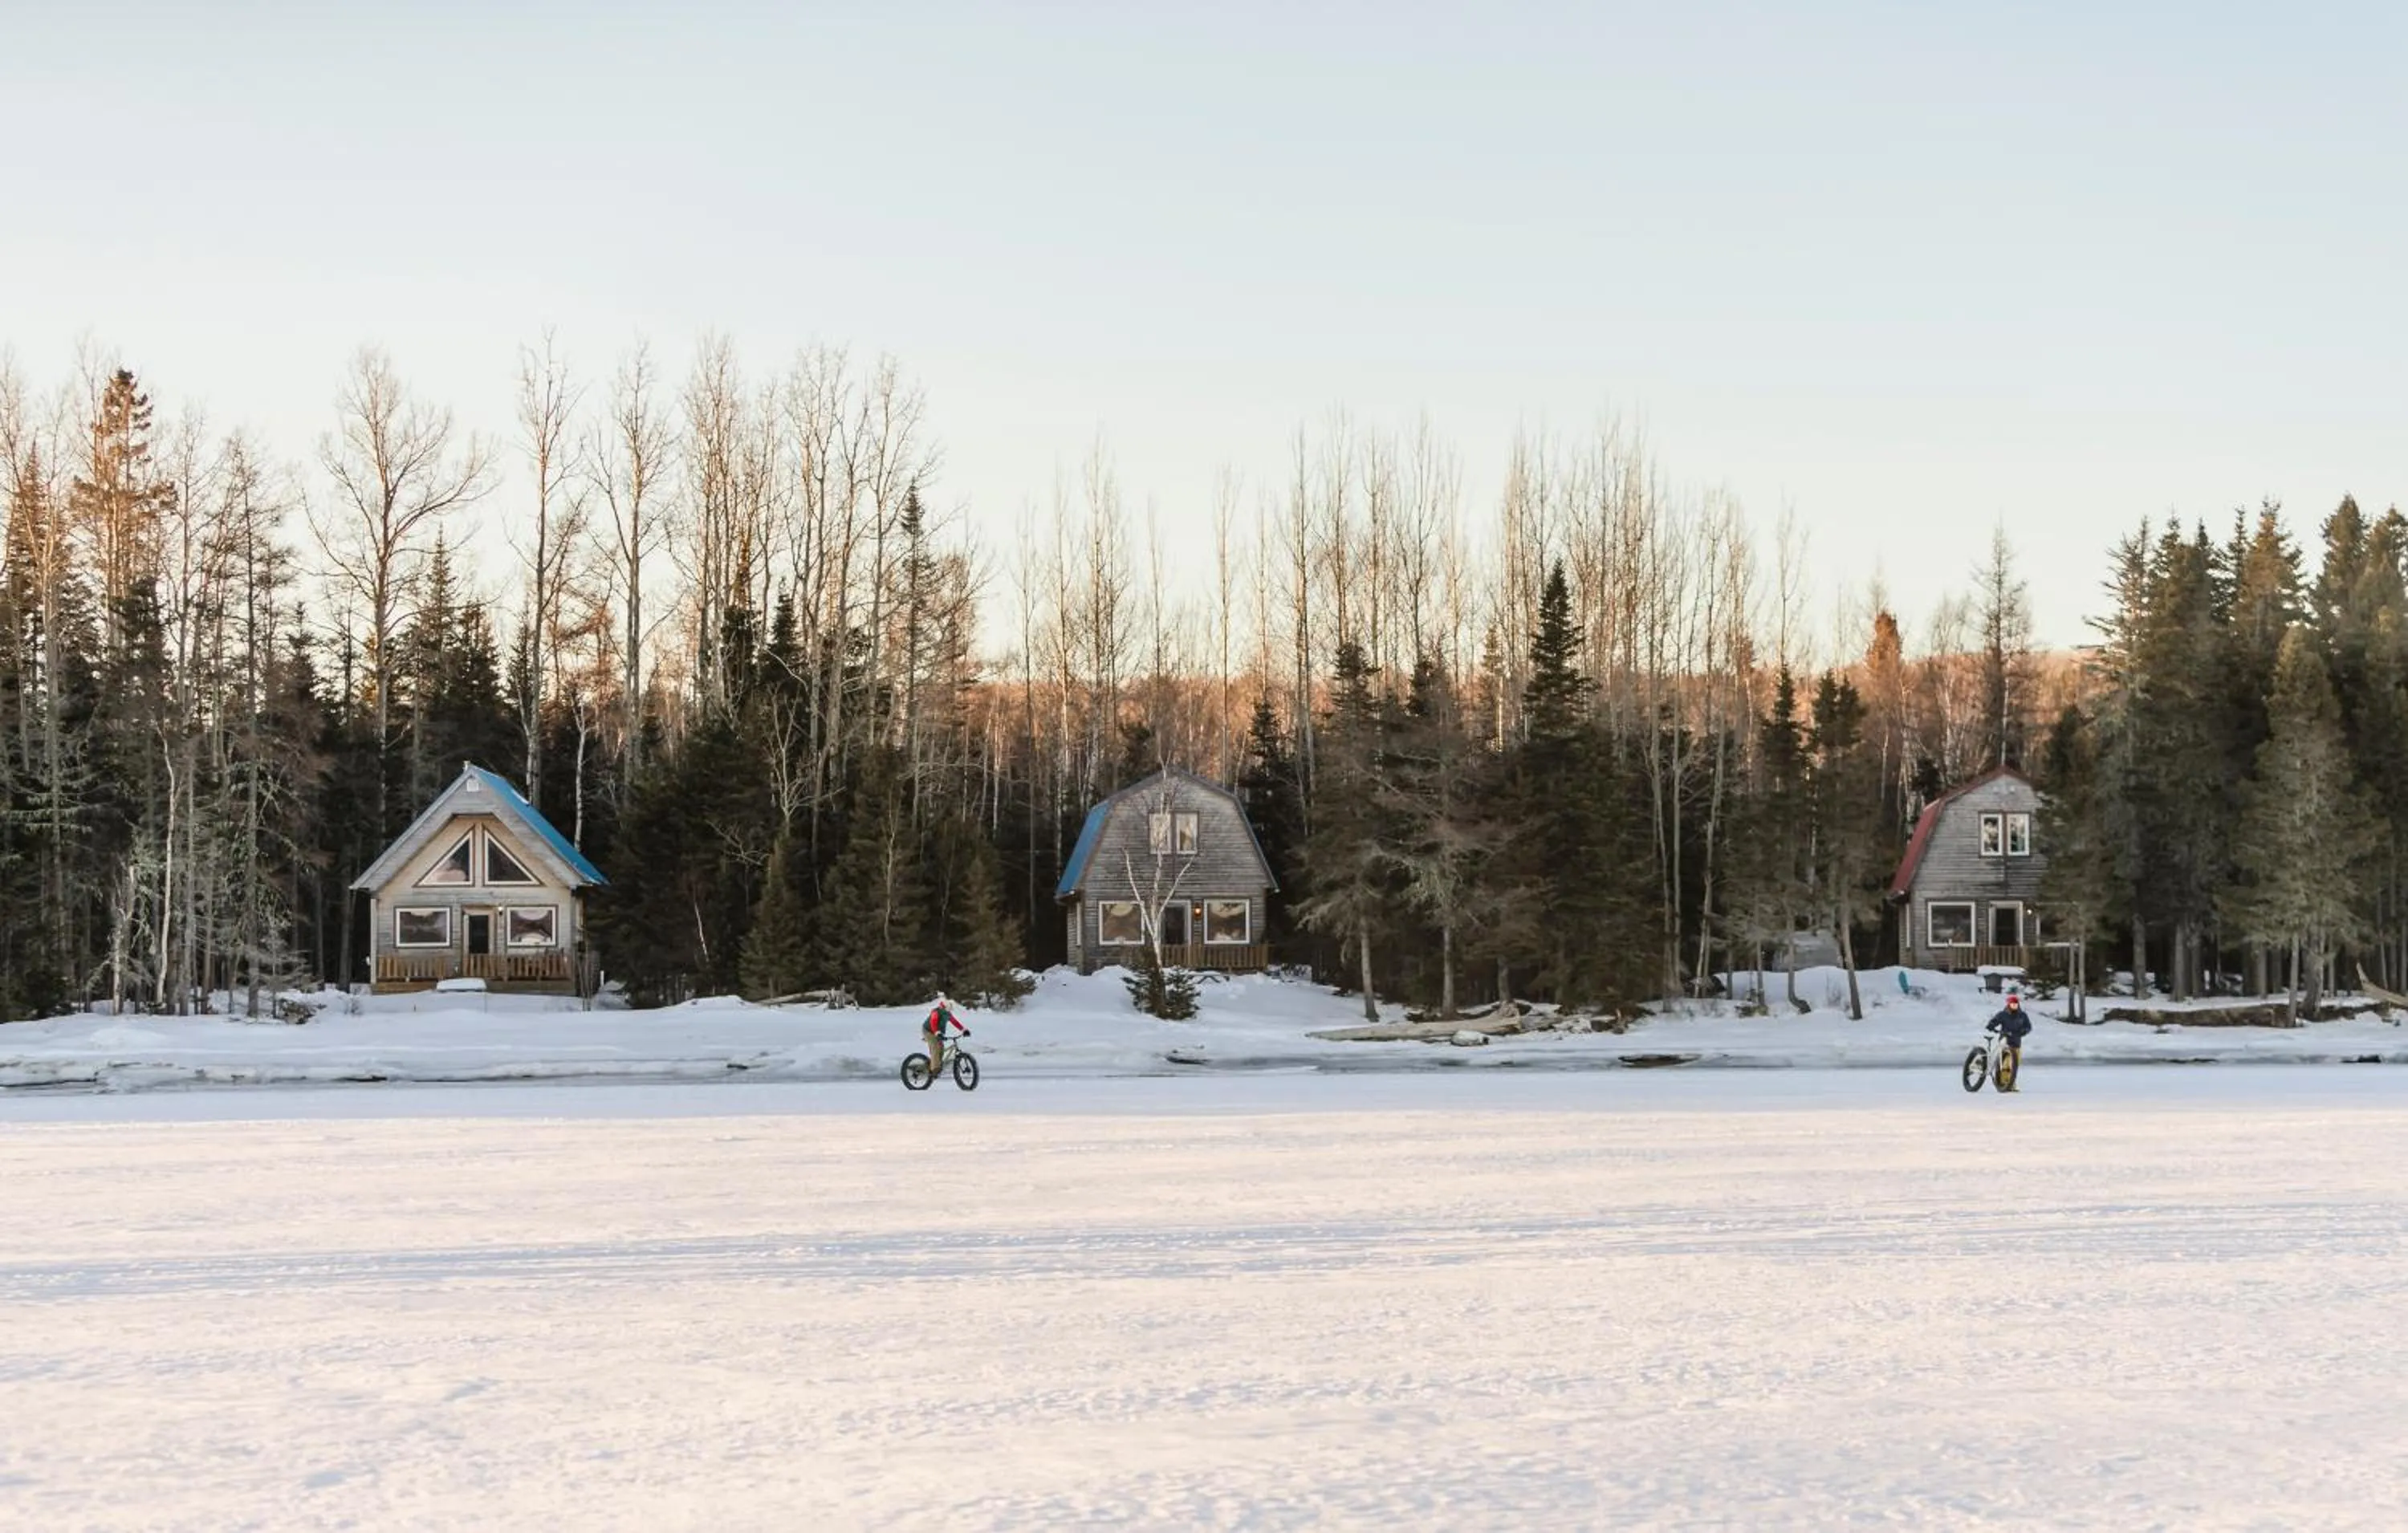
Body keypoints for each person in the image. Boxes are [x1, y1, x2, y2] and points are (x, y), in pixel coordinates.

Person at [1985, 991, 2032, 1090]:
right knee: (2006, 1063)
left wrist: (2024, 1031)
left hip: (2016, 1043)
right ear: (2008, 1004)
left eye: (2016, 1004)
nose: (2014, 1006)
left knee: (2014, 1065)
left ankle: (2011, 1083)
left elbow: (2028, 1026)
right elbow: (1995, 1021)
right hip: (2004, 1041)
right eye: (2012, 1004)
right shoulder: (2003, 1014)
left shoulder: (2022, 1015)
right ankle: (2003, 1082)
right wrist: (1991, 1025)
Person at [923, 994, 968, 1076]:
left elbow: (955, 1022)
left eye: (949, 1010)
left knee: (941, 1049)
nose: (949, 1011)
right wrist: (937, 1033)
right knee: (935, 1047)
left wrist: (963, 1030)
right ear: (943, 1008)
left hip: (937, 1032)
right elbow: (933, 1023)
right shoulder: (936, 1012)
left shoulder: (947, 1013)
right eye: (948, 1010)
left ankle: (935, 1065)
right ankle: (935, 1070)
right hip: (928, 1031)